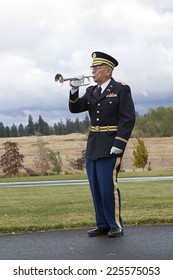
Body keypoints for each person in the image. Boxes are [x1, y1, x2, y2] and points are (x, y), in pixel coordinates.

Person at [69, 51, 135, 237]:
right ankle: (102, 224)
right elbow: (75, 108)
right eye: (92, 68)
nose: (93, 71)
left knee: (108, 187)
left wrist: (119, 143)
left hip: (110, 144)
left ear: (108, 70)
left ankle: (115, 225)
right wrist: (74, 89)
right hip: (94, 144)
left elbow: (127, 119)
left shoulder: (121, 89)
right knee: (96, 187)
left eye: (96, 68)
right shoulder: (91, 91)